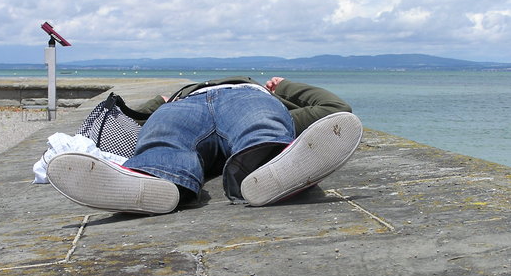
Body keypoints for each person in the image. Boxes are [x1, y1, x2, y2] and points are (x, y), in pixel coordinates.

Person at [46, 76, 363, 214]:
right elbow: (134, 116)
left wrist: (284, 86)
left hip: (246, 98)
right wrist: (161, 102)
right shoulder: (183, 97)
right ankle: (153, 182)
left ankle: (269, 160)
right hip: (185, 105)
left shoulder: (273, 100)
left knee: (260, 129)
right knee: (163, 140)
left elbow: (336, 110)